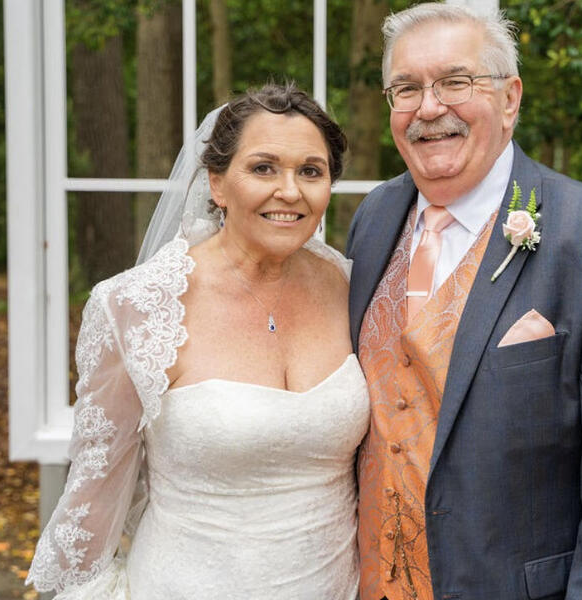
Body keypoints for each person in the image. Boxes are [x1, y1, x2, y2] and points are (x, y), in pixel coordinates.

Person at [347, 4, 582, 600]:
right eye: (406, 88)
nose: (429, 108)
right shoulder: (374, 218)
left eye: (456, 82)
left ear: (510, 99)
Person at [27, 83, 369, 599]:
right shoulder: (133, 307)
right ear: (216, 183)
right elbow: (94, 495)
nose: (290, 191)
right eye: (263, 168)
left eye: (310, 171)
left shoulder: (355, 288)